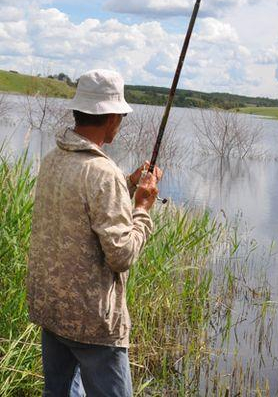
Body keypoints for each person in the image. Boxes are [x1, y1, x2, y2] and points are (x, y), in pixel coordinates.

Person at [26, 69, 162, 397]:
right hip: (92, 322)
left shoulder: (53, 160)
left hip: (51, 308)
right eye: (121, 117)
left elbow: (82, 211)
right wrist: (142, 208)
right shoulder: (104, 174)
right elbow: (122, 255)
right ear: (112, 117)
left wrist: (127, 186)